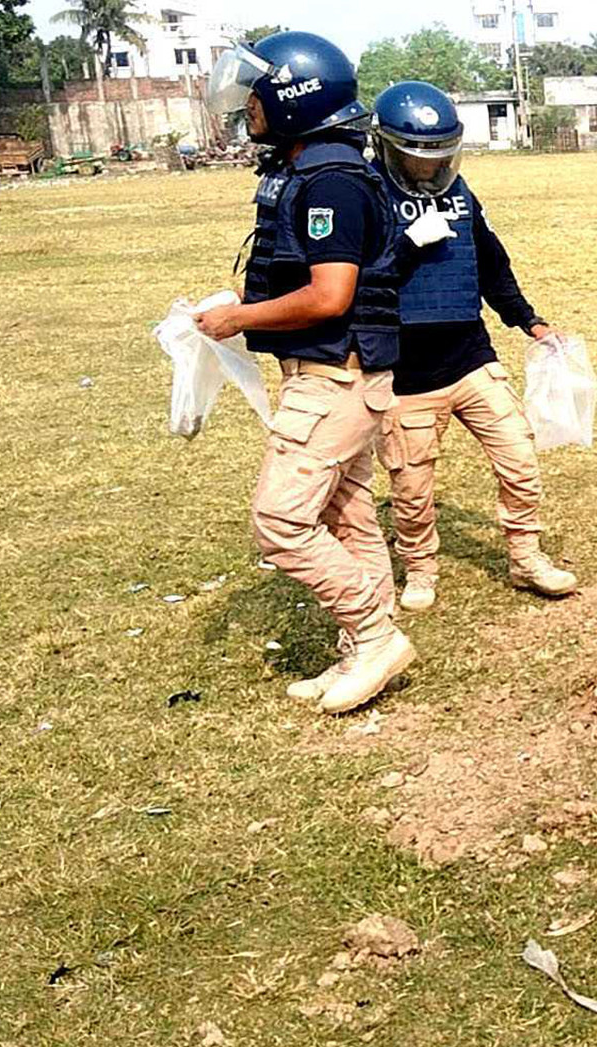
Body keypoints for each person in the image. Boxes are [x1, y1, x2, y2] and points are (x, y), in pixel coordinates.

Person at [193, 31, 415, 714]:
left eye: (256, 98)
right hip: (341, 376)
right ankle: (362, 649)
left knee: (281, 521)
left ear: (295, 96)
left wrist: (242, 319)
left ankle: (375, 635)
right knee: (349, 519)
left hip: (335, 380)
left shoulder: (330, 182)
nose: (248, 110)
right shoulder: (324, 168)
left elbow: (329, 296)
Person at [367, 81, 577, 610]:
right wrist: (406, 247)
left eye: (439, 156)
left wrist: (529, 321)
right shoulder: (364, 195)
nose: (428, 167)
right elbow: (358, 284)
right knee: (411, 489)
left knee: (519, 459)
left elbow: (490, 263)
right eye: (418, 157)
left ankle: (526, 557)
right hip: (405, 375)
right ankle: (419, 569)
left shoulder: (459, 194)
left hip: (470, 359)